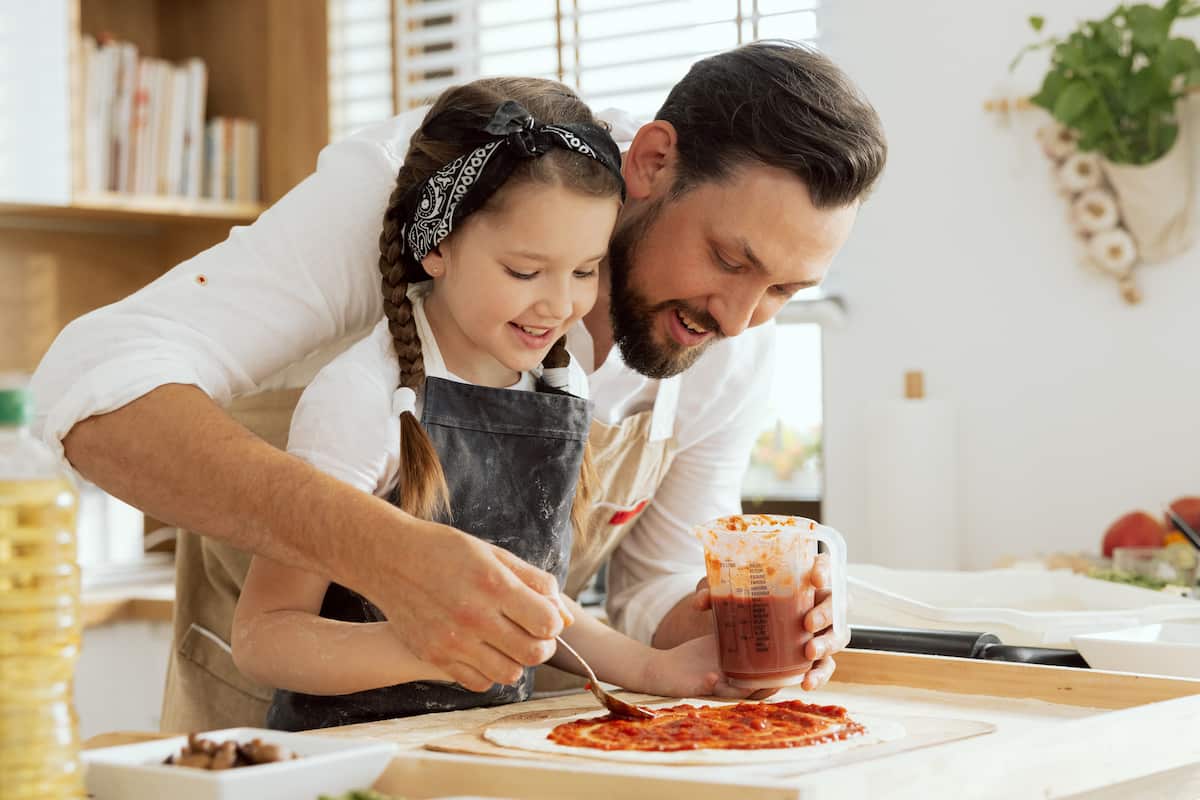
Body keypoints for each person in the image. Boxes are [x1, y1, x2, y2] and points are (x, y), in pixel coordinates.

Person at [30, 40, 886, 730]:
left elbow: (644, 591)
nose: (740, 319)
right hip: (271, 744)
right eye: (730, 261)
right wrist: (386, 553)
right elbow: (87, 384)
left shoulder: (725, 333)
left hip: (500, 746)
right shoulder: (442, 192)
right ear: (654, 161)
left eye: (783, 290)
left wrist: (718, 629)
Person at [230, 79, 763, 730]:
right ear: (438, 244)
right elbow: (265, 635)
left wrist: (658, 670)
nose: (559, 305)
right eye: (523, 271)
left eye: (584, 270)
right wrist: (430, 639)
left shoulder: (556, 388)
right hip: (348, 757)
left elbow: (538, 609)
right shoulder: (360, 399)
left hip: (481, 749)